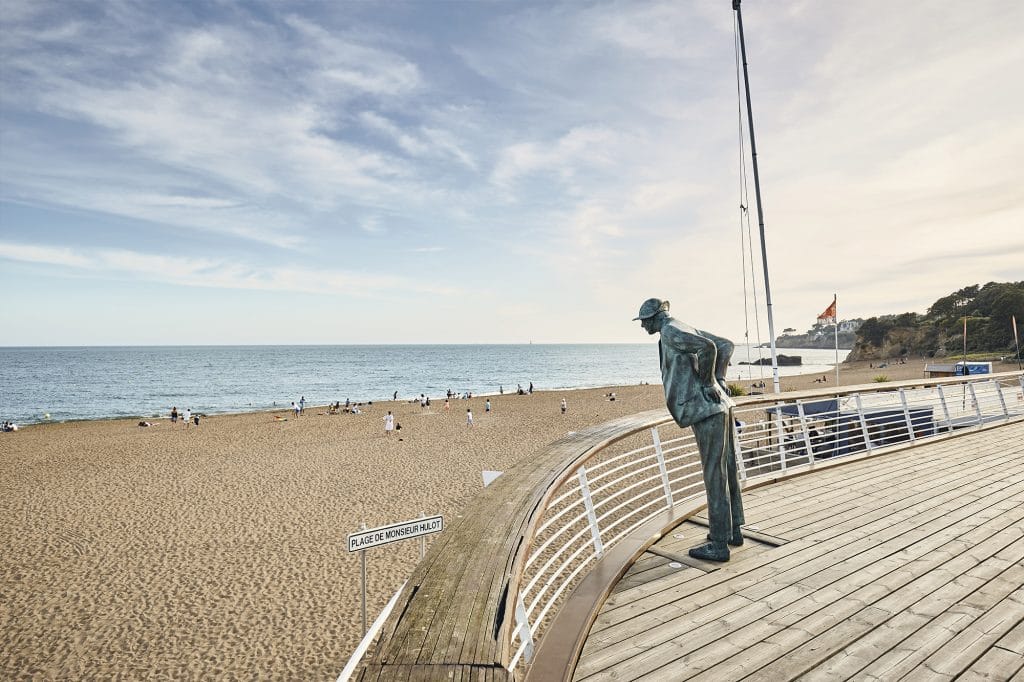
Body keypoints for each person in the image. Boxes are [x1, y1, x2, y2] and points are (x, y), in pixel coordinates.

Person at [634, 297, 744, 562]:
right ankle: (733, 531)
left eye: (644, 322)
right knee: (727, 469)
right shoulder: (680, 326)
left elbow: (709, 348)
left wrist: (708, 383)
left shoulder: (671, 330)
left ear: (653, 318)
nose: (642, 328)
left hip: (707, 409)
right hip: (720, 406)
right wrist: (719, 379)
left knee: (714, 475)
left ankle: (719, 544)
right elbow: (725, 345)